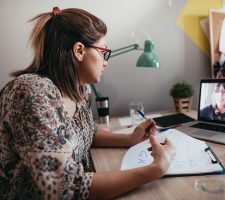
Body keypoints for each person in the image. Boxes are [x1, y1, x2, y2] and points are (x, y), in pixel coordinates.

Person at [0, 7, 175, 200]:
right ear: (79, 50)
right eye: (103, 52)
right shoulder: (33, 93)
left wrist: (129, 139)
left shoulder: (81, 90)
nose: (106, 62)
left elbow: (88, 132)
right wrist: (154, 170)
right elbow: (60, 189)